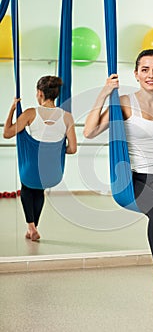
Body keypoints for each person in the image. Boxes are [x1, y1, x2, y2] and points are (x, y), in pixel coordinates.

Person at [83, 49, 153, 314]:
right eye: (144, 69)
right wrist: (104, 93)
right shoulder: (123, 102)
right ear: (136, 74)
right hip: (131, 177)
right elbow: (89, 131)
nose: (150, 75)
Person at [3, 75, 77, 241]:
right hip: (51, 172)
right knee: (39, 191)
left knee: (27, 189)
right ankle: (33, 228)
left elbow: (7, 133)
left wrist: (12, 109)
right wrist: (54, 152)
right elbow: (72, 149)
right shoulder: (67, 117)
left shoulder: (30, 113)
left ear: (40, 93)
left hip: (32, 169)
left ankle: (31, 226)